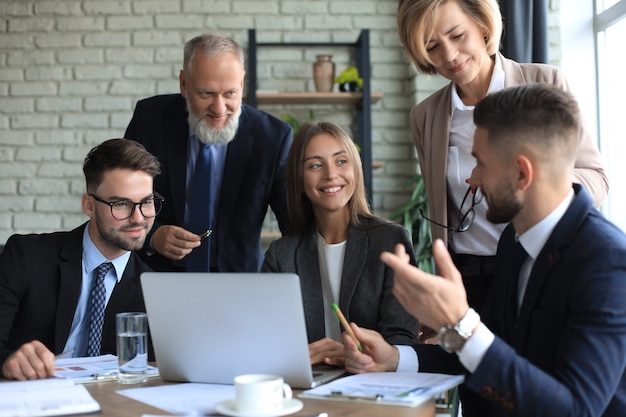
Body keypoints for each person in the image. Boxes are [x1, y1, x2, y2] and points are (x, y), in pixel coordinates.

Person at [343, 84, 626, 416]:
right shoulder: (514, 242)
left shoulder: (607, 262)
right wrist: (395, 358)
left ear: (522, 173)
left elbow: (575, 409)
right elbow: (491, 349)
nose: (472, 179)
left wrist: (461, 323)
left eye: (481, 163)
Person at [396, 0, 608, 314]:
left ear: (483, 26)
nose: (450, 56)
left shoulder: (545, 84)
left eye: (457, 36)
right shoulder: (425, 116)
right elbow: (442, 213)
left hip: (541, 266)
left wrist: (527, 183)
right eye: (432, 46)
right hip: (469, 281)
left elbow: (597, 180)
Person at [124, 32, 292, 273]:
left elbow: (293, 227)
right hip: (157, 275)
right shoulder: (149, 119)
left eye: (230, 93)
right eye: (207, 94)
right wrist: (153, 234)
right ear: (184, 84)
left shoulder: (274, 137)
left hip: (239, 280)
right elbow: (121, 198)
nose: (219, 108)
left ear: (242, 84)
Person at [0, 138, 161, 380]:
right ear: (89, 205)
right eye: (121, 204)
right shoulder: (26, 256)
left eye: (146, 202)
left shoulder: (154, 288)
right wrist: (6, 360)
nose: (138, 218)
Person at [262, 121, 420, 369]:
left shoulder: (390, 241)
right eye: (315, 165)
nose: (331, 174)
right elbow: (268, 340)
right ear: (299, 180)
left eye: (341, 161)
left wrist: (370, 358)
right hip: (307, 387)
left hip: (373, 386)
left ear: (355, 170)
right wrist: (300, 356)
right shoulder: (281, 255)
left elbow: (403, 338)